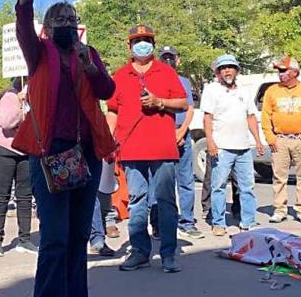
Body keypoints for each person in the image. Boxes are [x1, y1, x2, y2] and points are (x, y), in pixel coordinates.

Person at [11, 0, 116, 297]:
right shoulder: (39, 52)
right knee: (55, 238)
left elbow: (107, 92)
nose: (67, 24)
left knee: (77, 238)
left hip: (86, 152)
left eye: (71, 19)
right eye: (59, 19)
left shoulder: (89, 53)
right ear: (47, 26)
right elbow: (23, 27)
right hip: (50, 152)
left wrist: (91, 67)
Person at [108, 27, 188, 274]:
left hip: (162, 149)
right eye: (137, 41)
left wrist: (160, 102)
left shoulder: (166, 72)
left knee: (164, 201)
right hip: (130, 148)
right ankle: (140, 251)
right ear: (129, 46)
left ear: (154, 43)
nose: (142, 44)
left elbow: (183, 103)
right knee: (137, 201)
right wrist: (107, 140)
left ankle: (168, 254)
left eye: (146, 40)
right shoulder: (119, 76)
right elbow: (112, 110)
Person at [202, 54, 265, 236]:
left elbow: (250, 116)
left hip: (243, 147)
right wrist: (211, 142)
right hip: (221, 147)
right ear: (218, 72)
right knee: (218, 186)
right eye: (223, 68)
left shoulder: (244, 92)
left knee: (247, 186)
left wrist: (258, 141)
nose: (227, 71)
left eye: (230, 67)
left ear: (236, 70)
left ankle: (248, 221)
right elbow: (207, 118)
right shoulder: (212, 90)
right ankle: (219, 222)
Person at [149, 46, 203, 239]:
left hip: (182, 135)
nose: (168, 62)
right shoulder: (153, 80)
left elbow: (189, 108)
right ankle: (158, 224)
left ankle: (187, 221)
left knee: (186, 181)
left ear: (177, 60)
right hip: (161, 136)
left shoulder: (184, 82)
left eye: (171, 58)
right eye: (165, 58)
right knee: (159, 183)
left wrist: (181, 131)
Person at [262, 57, 301, 224]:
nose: (281, 74)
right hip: (280, 139)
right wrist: (270, 137)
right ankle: (280, 209)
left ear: (294, 72)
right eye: (279, 71)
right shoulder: (272, 90)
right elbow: (265, 116)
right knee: (279, 177)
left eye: (284, 70)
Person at [0, 79, 36, 256]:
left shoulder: (36, 98)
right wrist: (21, 105)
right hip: (3, 150)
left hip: (25, 151)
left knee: (25, 196)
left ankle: (25, 239)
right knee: (2, 195)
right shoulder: (10, 97)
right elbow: (7, 123)